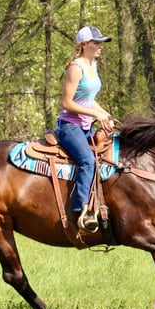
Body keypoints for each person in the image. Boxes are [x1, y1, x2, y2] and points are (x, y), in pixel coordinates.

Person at [56, 25, 115, 232]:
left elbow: (89, 100)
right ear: (83, 45)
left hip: (86, 126)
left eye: (101, 43)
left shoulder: (93, 65)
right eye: (96, 43)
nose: (100, 46)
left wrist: (105, 114)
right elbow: (67, 103)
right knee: (87, 161)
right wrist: (95, 114)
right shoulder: (76, 68)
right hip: (69, 126)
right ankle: (82, 209)